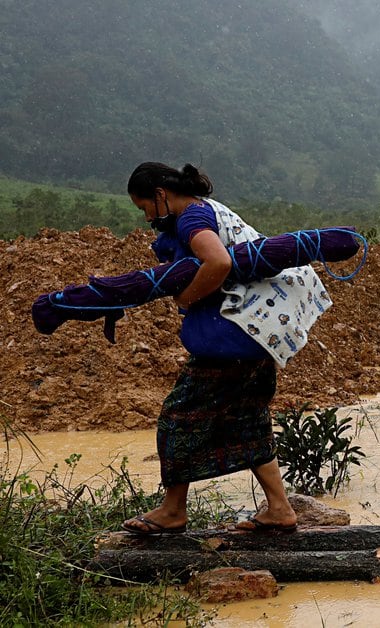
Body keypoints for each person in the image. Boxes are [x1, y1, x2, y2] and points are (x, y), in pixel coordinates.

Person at [120, 162, 332, 535]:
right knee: (247, 418)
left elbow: (218, 261)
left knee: (178, 417)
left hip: (232, 338)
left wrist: (187, 296)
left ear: (159, 195)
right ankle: (280, 509)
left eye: (145, 208)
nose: (147, 218)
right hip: (259, 337)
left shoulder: (190, 219)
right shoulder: (208, 209)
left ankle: (173, 510)